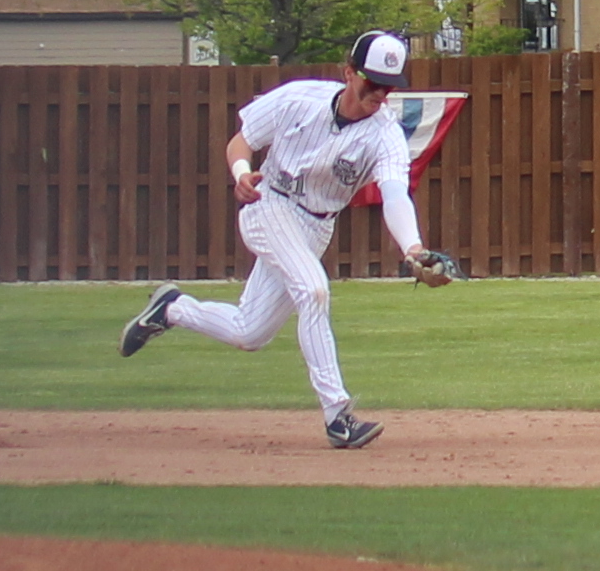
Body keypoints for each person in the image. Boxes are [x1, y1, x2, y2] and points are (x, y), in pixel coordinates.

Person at [115, 29, 442, 448]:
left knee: (249, 333)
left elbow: (396, 194)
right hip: (269, 205)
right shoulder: (297, 99)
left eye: (388, 87)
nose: (379, 94)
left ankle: (172, 310)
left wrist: (413, 249)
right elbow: (241, 143)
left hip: (316, 225)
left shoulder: (385, 133)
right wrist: (240, 175)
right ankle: (338, 416)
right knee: (314, 290)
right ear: (348, 73)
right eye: (371, 83)